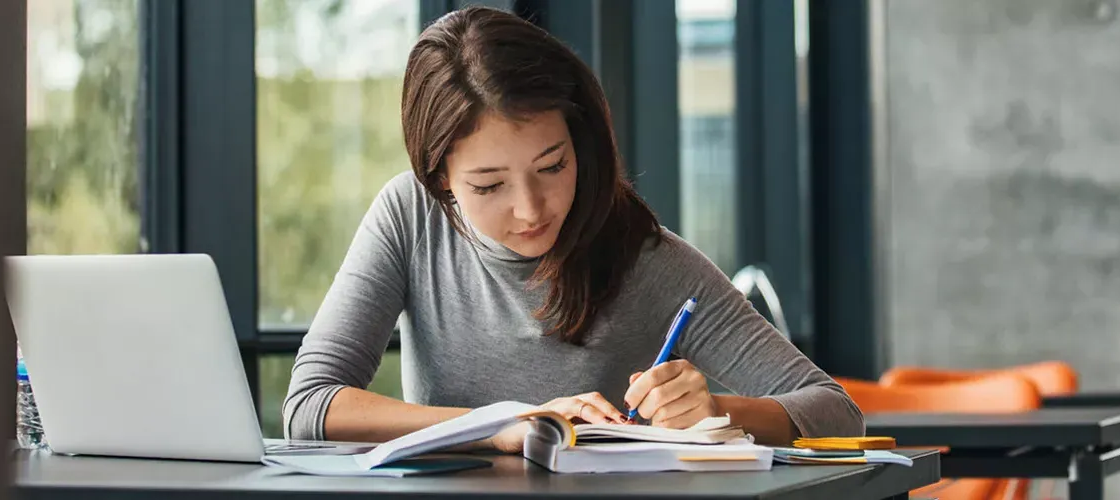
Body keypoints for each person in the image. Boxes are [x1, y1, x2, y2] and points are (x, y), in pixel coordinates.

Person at [282, 6, 862, 453]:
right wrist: (503, 423)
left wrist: (717, 409)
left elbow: (836, 411)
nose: (531, 209)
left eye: (553, 167)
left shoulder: (645, 257)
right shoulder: (410, 217)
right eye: (489, 187)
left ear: (581, 145)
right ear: (440, 180)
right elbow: (310, 405)